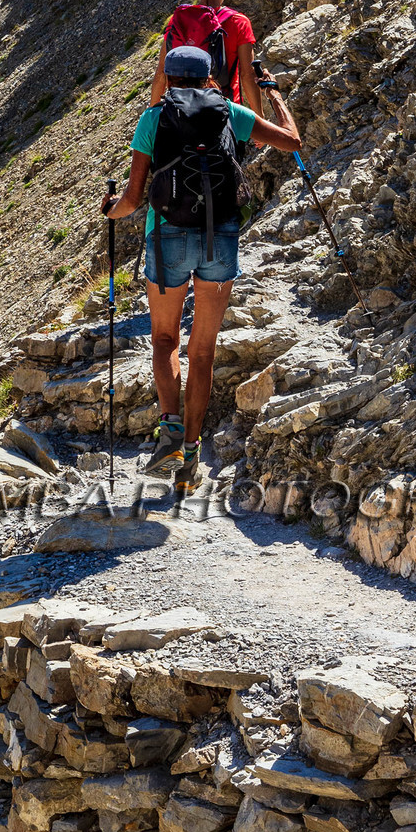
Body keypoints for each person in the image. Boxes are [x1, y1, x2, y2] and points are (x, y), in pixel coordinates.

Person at [102, 42, 300, 494]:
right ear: (209, 77)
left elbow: (132, 200)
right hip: (221, 237)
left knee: (166, 339)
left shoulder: (153, 119)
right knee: (203, 352)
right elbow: (292, 142)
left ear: (169, 80)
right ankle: (191, 458)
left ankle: (169, 432)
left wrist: (110, 209)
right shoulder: (231, 113)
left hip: (167, 233)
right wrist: (275, 94)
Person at [151, 0, 264, 118]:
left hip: (181, 115)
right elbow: (247, 75)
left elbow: (161, 73)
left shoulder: (178, 21)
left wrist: (152, 117)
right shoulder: (238, 22)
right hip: (224, 113)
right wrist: (259, 118)